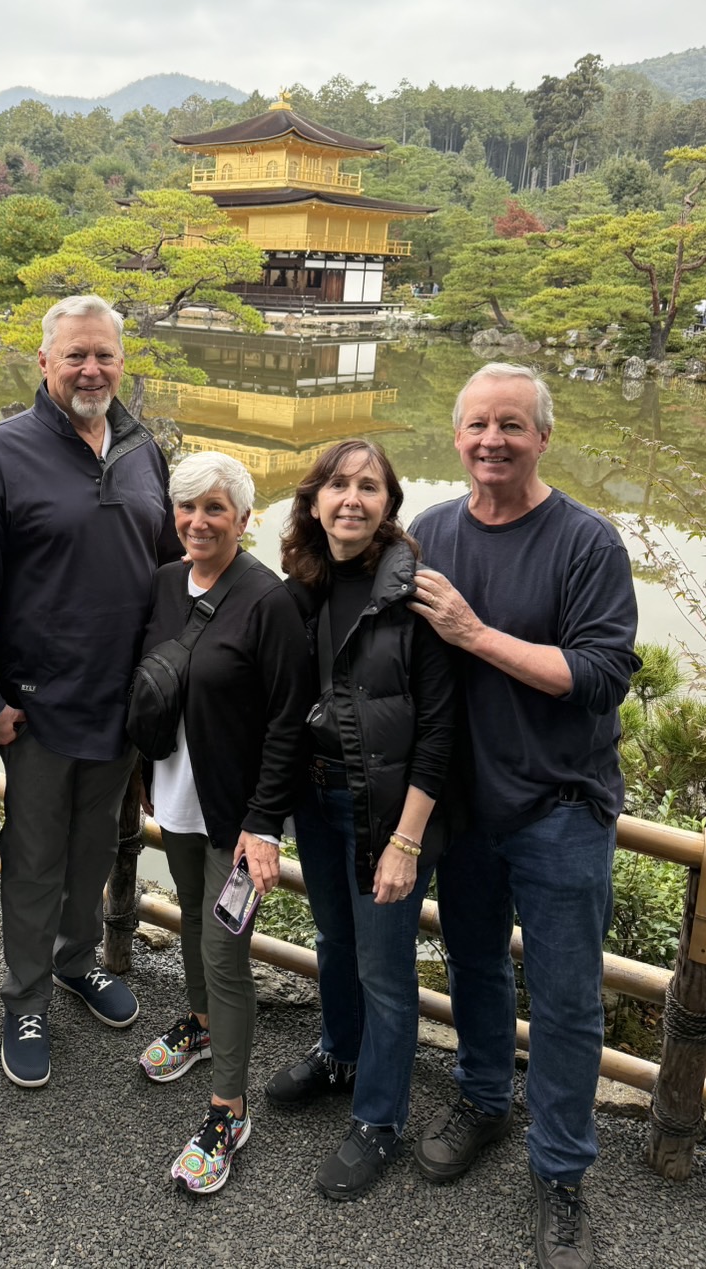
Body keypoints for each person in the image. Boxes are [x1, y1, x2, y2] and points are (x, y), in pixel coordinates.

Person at [407, 363, 640, 1269]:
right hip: (463, 805)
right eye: (477, 424)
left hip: (560, 807)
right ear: (455, 434)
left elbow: (598, 678)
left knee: (571, 1000)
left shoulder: (586, 542)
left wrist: (473, 633)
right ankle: (484, 1098)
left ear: (544, 435)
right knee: (473, 968)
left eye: (512, 424)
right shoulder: (428, 531)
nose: (492, 440)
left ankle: (561, 1171)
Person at [0, 295, 180, 1088]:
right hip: (35, 706)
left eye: (104, 355)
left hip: (120, 703)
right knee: (36, 859)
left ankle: (77, 962)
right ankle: (26, 996)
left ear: (121, 361)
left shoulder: (143, 449)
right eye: (75, 355)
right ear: (43, 362)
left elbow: (172, 570)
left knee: (93, 852)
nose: (91, 369)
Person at [263, 439, 457, 1199]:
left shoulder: (414, 593)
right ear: (314, 500)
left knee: (384, 965)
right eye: (337, 484)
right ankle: (339, 1052)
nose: (351, 498)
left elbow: (440, 731)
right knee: (334, 939)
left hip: (387, 810)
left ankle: (380, 1116)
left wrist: (406, 842)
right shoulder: (304, 583)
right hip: (318, 797)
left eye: (368, 486)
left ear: (388, 504)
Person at [136, 452, 314, 1194]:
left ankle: (228, 1110)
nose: (198, 522)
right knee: (188, 921)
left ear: (246, 518)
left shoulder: (269, 600)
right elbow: (153, 684)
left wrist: (264, 822)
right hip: (175, 795)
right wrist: (148, 772)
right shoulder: (162, 585)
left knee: (225, 946)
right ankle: (202, 1024)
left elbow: (287, 722)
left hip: (235, 816)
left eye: (215, 508)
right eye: (187, 508)